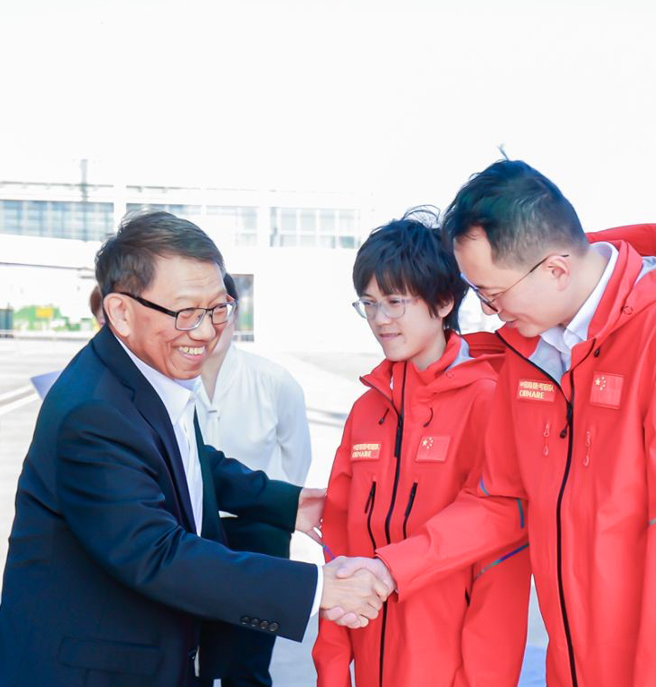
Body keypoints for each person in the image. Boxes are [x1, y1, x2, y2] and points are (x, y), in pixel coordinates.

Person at [326, 160, 656, 687]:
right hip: (572, 659)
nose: (487, 312)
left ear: (555, 269)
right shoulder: (532, 353)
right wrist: (393, 568)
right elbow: (498, 499)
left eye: (493, 295)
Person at [0, 210, 390, 686]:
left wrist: (291, 505)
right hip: (87, 666)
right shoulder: (94, 412)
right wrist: (317, 589)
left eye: (218, 308)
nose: (206, 332)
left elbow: (189, 463)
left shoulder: (142, 374)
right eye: (186, 313)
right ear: (120, 312)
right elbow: (158, 554)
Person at [312, 212, 531, 687]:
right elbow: (339, 553)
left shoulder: (489, 403)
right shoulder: (366, 411)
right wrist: (331, 672)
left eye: (394, 302)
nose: (380, 320)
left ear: (444, 300)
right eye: (368, 304)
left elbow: (500, 569)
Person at [194, 273, 314, 687]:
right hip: (189, 536)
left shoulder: (274, 381)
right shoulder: (170, 384)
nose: (211, 323)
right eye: (196, 310)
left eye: (221, 308)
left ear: (235, 311)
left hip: (260, 538)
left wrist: (273, 519)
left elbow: (296, 460)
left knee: (248, 666)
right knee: (190, 657)